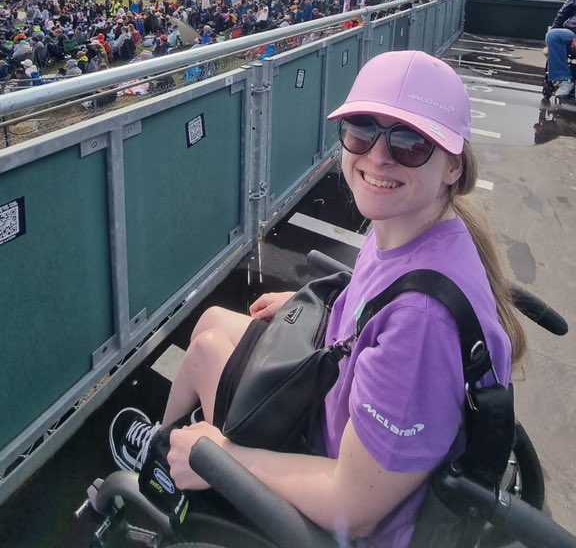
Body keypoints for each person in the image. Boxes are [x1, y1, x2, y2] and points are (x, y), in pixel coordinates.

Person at [108, 50, 523, 548]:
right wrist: (323, 307)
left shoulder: (422, 324)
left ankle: (168, 456)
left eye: (410, 143)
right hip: (338, 404)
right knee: (214, 319)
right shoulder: (410, 223)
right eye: (362, 129)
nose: (378, 156)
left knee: (206, 350)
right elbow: (377, 301)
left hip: (339, 483)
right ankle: (170, 442)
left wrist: (223, 454)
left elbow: (354, 508)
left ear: (453, 165)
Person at [544, 0, 576, 97]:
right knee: (553, 36)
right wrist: (549, 44)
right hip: (573, 33)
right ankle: (564, 80)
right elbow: (563, 13)